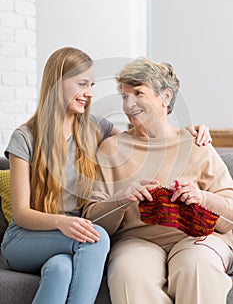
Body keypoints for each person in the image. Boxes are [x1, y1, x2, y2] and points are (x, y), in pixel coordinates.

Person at [0, 47, 210, 304]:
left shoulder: (95, 129)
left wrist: (187, 132)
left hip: (72, 237)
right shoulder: (25, 137)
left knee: (60, 269)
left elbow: (143, 135)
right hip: (26, 238)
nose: (89, 93)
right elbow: (21, 213)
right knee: (96, 240)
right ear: (57, 83)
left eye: (92, 85)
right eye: (82, 84)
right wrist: (61, 222)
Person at [83, 57, 233, 304]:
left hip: (197, 238)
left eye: (138, 93)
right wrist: (121, 199)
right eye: (124, 96)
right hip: (136, 241)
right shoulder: (111, 149)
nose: (128, 104)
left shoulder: (197, 144)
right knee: (128, 274)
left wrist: (202, 197)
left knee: (197, 267)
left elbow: (230, 216)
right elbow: (93, 219)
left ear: (165, 97)